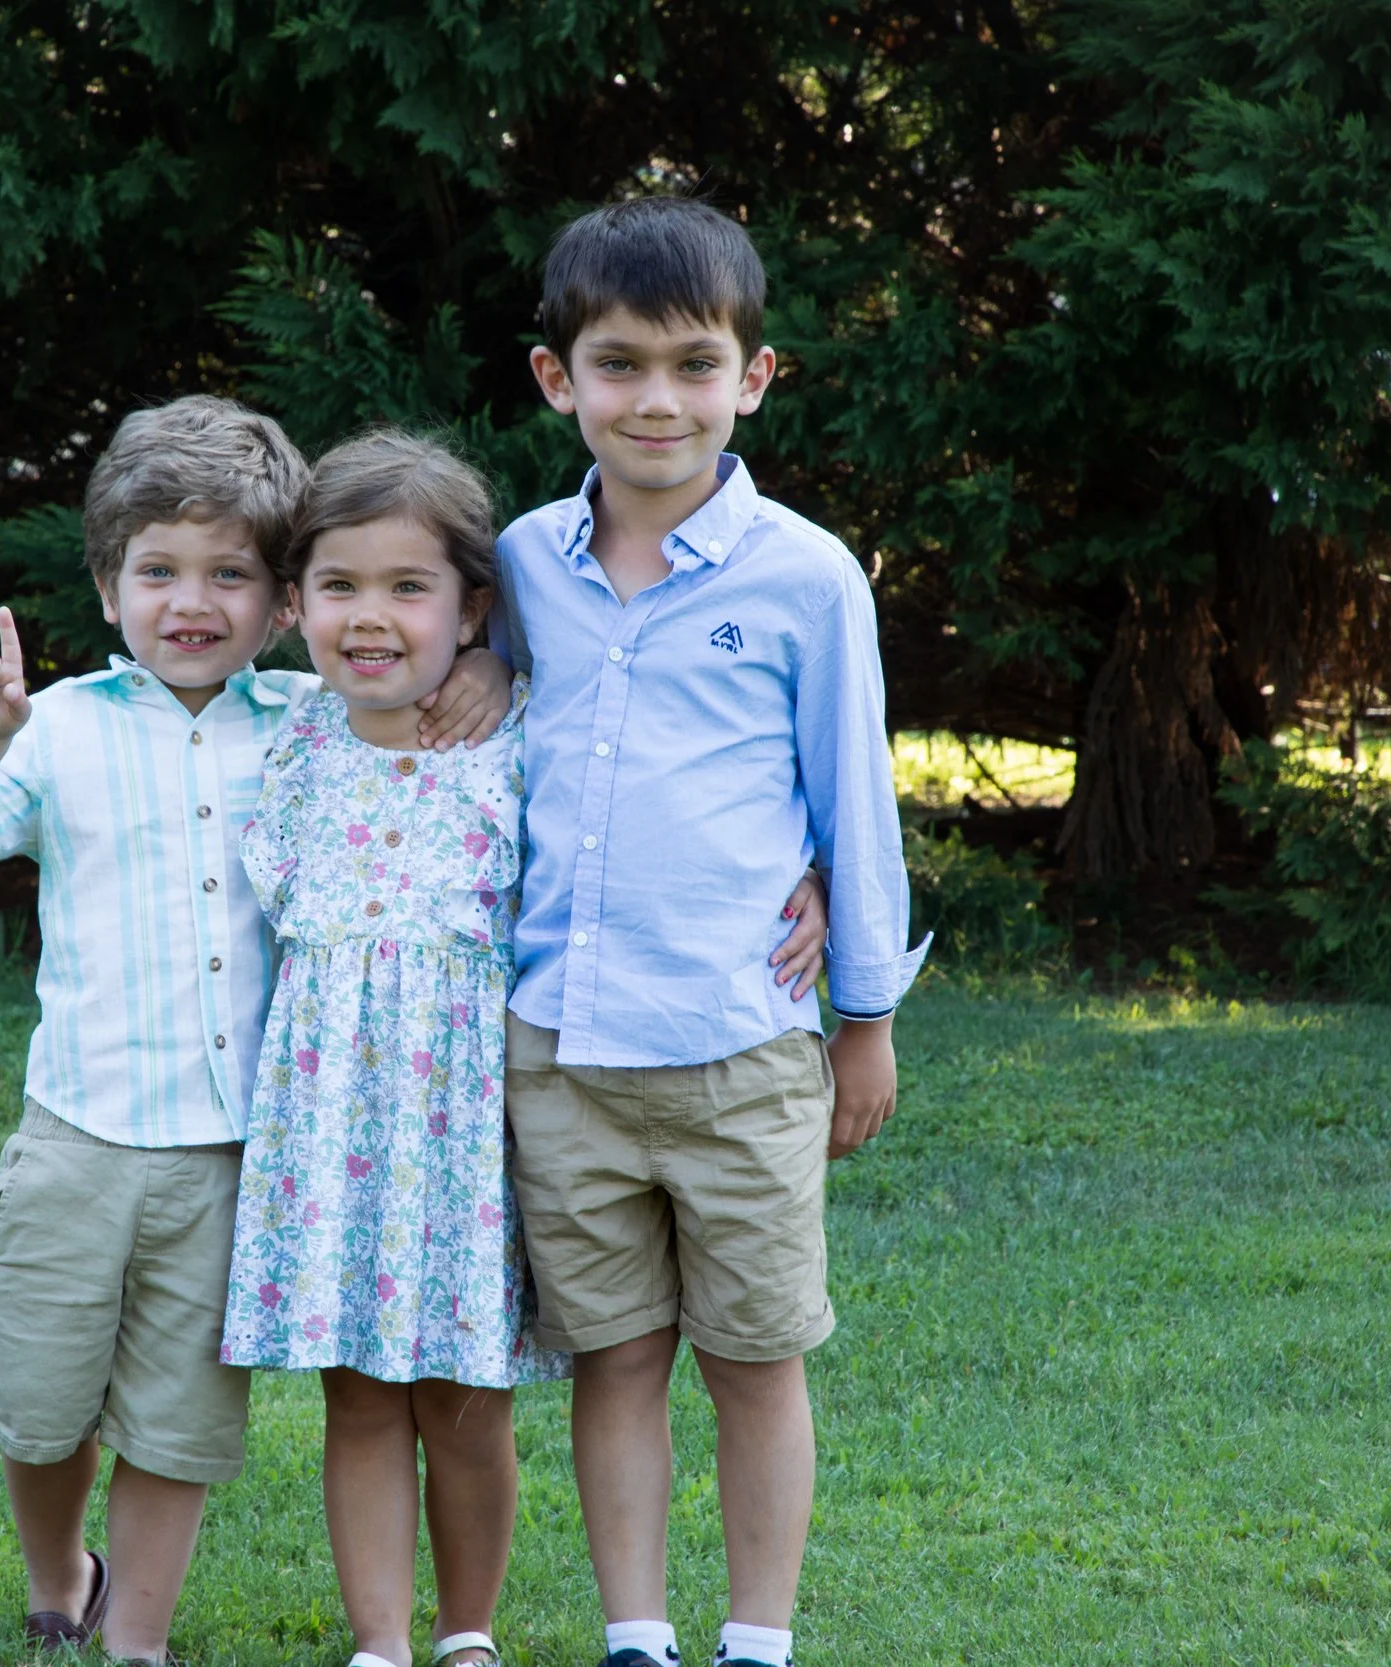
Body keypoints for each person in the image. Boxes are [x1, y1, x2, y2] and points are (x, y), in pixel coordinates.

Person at [0, 396, 509, 1663]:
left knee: (177, 1420)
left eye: (230, 571)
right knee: (38, 1407)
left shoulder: (308, 722)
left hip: (234, 1151)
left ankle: (137, 1635)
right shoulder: (57, 724)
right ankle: (56, 1568)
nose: (193, 600)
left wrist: (488, 667)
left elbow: (419, 691)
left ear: (279, 597)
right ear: (107, 581)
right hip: (77, 1131)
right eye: (159, 570)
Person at [219, 430, 832, 1667]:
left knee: (466, 1396)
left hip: (478, 1132)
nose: (371, 617)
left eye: (409, 587)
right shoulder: (277, 739)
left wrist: (805, 873)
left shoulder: (520, 743)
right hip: (330, 1137)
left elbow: (656, 809)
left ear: (475, 605)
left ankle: (466, 1628)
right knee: (356, 1394)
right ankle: (380, 1638)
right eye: (337, 587)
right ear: (293, 605)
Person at [495, 198, 930, 1667]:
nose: (657, 399)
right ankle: (637, 1630)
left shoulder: (806, 576)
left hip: (742, 1041)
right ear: (559, 379)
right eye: (618, 365)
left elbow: (852, 800)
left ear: (753, 377)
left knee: (755, 1355)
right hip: (559, 1049)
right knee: (612, 1352)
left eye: (694, 363)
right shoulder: (517, 565)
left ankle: (757, 1637)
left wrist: (861, 1016)